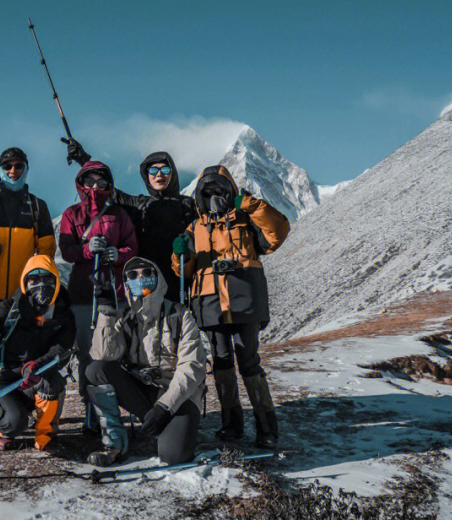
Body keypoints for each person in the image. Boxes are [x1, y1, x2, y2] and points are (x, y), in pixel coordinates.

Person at [172, 165, 289, 447]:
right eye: (208, 192)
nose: (214, 197)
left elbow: (278, 232)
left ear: (231, 193)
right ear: (200, 196)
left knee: (249, 362)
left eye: (220, 191)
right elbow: (183, 272)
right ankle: (231, 426)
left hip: (244, 302)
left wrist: (252, 205)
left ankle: (266, 428)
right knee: (222, 363)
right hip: (211, 304)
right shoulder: (193, 229)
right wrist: (180, 256)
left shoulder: (247, 220)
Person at [0, 147, 56, 428]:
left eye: (18, 166)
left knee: (18, 352)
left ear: (25, 169)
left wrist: (39, 280)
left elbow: (47, 246)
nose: (13, 171)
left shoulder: (37, 206)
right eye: (7, 166)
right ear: (0, 169)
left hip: (22, 295)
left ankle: (12, 401)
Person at [86, 256, 207, 466]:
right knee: (96, 370)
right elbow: (102, 356)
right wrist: (106, 313)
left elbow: (192, 367)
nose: (140, 278)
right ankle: (114, 443)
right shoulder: (125, 318)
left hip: (178, 399)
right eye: (133, 275)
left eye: (146, 273)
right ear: (126, 283)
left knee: (173, 457)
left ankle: (169, 429)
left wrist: (164, 407)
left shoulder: (179, 314)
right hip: (144, 391)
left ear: (157, 277)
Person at [0, 255, 75, 453]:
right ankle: (4, 428)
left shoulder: (62, 312)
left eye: (47, 279)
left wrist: (36, 366)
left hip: (30, 377)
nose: (41, 285)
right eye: (34, 279)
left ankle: (46, 438)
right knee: (15, 422)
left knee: (54, 382)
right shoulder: (9, 308)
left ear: (56, 281)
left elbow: (61, 348)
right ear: (25, 282)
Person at [58, 160, 137, 432]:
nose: (95, 186)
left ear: (108, 184)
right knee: (85, 353)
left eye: (100, 181)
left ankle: (111, 409)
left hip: (114, 294)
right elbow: (66, 251)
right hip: (82, 293)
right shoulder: (71, 214)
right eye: (89, 180)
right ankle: (90, 407)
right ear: (81, 183)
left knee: (113, 351)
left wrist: (120, 255)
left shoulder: (119, 214)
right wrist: (87, 251)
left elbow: (133, 247)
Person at [65, 140, 195, 302]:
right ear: (146, 176)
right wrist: (84, 161)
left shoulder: (189, 205)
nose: (159, 175)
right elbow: (108, 191)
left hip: (180, 280)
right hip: (145, 279)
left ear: (173, 173)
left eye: (165, 169)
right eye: (153, 170)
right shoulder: (139, 204)